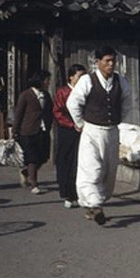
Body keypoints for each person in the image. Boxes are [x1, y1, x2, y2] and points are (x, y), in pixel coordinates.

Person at [66, 46, 132, 225]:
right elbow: (73, 103)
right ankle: (96, 206)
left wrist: (118, 120)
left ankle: (91, 205)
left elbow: (127, 103)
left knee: (109, 171)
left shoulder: (121, 81)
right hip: (92, 131)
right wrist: (80, 123)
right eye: (107, 61)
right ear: (98, 62)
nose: (111, 65)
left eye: (113, 61)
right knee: (91, 169)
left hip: (111, 131)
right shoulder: (88, 80)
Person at [13, 70, 53, 194]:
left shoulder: (46, 95)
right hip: (28, 130)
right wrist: (15, 130)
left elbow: (50, 110)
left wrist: (49, 123)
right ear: (40, 81)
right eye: (47, 80)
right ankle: (34, 184)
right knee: (32, 158)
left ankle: (26, 172)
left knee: (43, 157)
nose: (48, 82)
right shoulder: (26, 95)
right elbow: (18, 113)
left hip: (43, 129)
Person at [52, 63, 87, 208]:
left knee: (80, 162)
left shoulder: (86, 91)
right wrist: (72, 124)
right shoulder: (63, 92)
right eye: (79, 76)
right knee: (66, 160)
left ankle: (78, 193)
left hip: (84, 129)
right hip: (67, 130)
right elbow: (57, 112)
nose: (82, 79)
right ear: (71, 77)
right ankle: (67, 193)